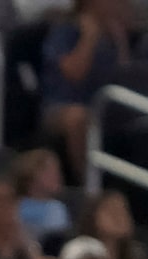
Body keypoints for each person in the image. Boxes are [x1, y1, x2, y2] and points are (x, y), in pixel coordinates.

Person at [42, 0, 131, 181]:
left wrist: (121, 44)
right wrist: (88, 37)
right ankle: (88, 182)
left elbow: (125, 77)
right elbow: (73, 73)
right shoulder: (66, 29)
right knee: (79, 118)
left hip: (102, 106)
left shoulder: (112, 36)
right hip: (61, 106)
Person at [13, 147, 71, 241]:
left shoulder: (56, 208)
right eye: (49, 171)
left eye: (57, 171)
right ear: (31, 175)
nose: (57, 176)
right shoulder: (14, 207)